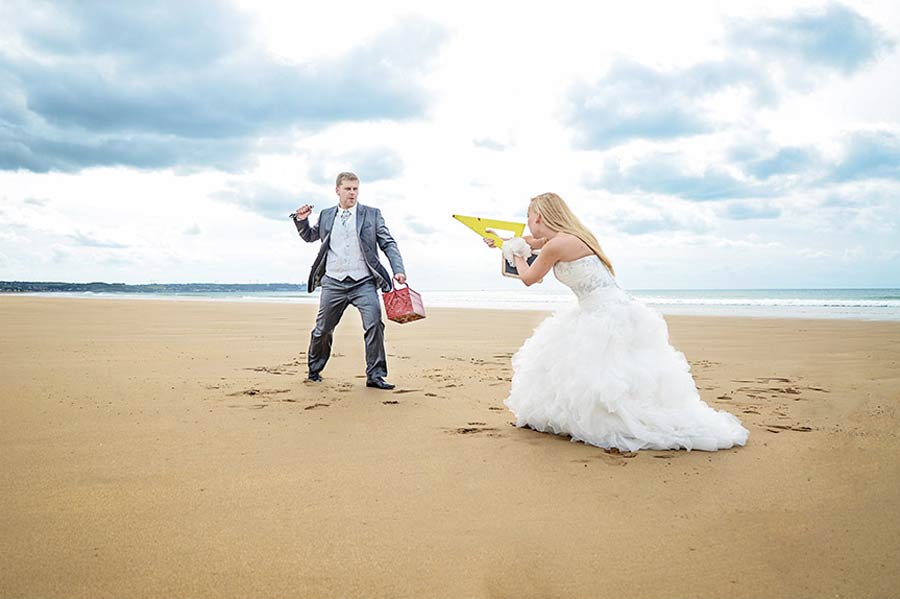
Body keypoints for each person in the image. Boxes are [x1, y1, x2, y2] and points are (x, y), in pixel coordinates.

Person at [484, 192, 748, 451]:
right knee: (591, 369)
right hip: (604, 307)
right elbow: (528, 241)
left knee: (602, 373)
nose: (527, 222)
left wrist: (514, 252)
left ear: (539, 216)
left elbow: (529, 277)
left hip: (604, 313)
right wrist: (500, 241)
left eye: (528, 216)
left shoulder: (557, 245)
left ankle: (610, 422)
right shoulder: (570, 238)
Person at [293, 172, 406, 390]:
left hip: (363, 281)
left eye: (355, 189)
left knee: (374, 324)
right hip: (333, 281)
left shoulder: (372, 214)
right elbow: (309, 236)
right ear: (338, 190)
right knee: (322, 330)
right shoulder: (326, 215)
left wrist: (398, 269)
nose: (352, 193)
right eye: (348, 189)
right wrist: (301, 220)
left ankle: (376, 375)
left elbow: (388, 243)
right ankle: (314, 370)